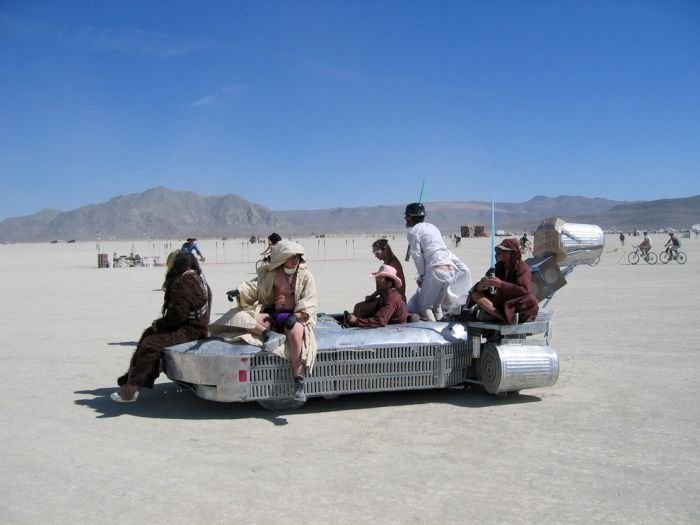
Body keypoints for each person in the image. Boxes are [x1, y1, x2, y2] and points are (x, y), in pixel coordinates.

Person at [213, 240, 317, 402]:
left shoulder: (306, 276)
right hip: (273, 315)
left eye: (298, 256)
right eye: (291, 256)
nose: (295, 260)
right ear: (283, 258)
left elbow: (310, 301)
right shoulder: (272, 274)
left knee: (297, 334)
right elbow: (255, 288)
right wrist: (239, 291)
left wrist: (296, 316)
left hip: (295, 315)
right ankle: (268, 334)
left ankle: (299, 382)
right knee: (240, 316)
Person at [112, 252, 212, 402]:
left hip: (189, 330)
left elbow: (177, 315)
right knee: (149, 333)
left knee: (150, 344)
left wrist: (159, 324)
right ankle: (131, 376)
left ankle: (132, 389)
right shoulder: (200, 280)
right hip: (199, 328)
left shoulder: (183, 283)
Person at [404, 202, 462, 321]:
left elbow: (417, 255)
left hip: (436, 270)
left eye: (407, 216)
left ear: (411, 216)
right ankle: (442, 331)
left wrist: (422, 275)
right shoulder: (433, 227)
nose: (405, 218)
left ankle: (434, 333)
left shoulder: (413, 231)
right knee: (436, 306)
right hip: (450, 269)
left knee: (424, 306)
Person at [465, 238, 539, 324]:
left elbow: (524, 290)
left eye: (505, 251)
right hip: (499, 301)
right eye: (501, 251)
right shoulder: (498, 267)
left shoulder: (523, 269)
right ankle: (503, 318)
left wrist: (501, 284)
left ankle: (494, 316)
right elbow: (486, 283)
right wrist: (480, 286)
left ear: (513, 253)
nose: (501, 254)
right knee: (476, 295)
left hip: (514, 302)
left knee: (531, 300)